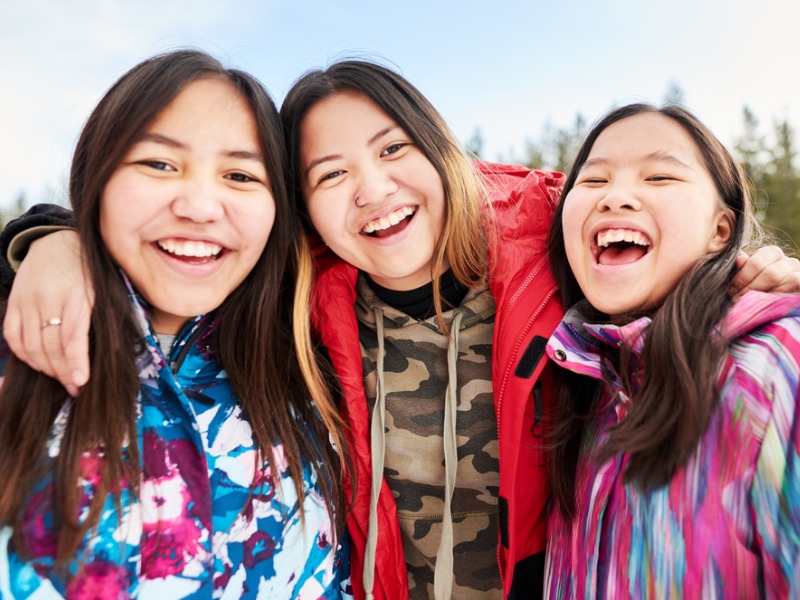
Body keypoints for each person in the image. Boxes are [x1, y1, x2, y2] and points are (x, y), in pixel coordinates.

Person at [4, 61, 800, 600]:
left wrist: (732, 263)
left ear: (442, 150)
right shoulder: (298, 301)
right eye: (330, 174)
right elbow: (186, 236)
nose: (372, 189)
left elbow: (646, 209)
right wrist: (49, 239)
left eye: (394, 149)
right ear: (301, 205)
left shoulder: (551, 245)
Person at [0, 50, 351, 598]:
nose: (200, 205)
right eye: (159, 164)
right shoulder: (21, 347)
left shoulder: (314, 368)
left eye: (239, 174)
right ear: (97, 176)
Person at [544, 103, 800, 598]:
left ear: (720, 231)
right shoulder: (580, 379)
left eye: (659, 177)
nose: (615, 197)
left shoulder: (776, 364)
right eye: (593, 182)